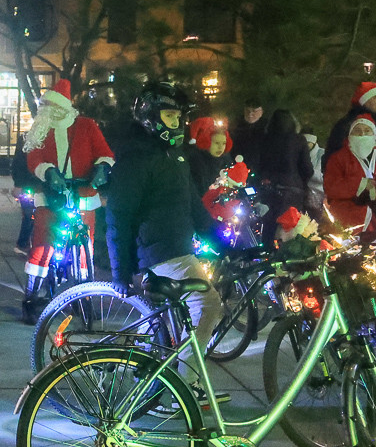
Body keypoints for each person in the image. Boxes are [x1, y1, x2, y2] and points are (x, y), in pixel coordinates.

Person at [104, 80, 229, 404]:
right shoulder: (137, 159)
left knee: (175, 318)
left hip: (176, 246)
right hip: (159, 252)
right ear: (151, 116)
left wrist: (222, 240)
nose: (178, 123)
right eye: (172, 116)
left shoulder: (173, 155)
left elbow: (191, 204)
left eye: (179, 117)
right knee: (208, 304)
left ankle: (154, 374)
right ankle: (183, 388)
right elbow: (118, 214)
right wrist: (120, 271)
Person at [22, 79, 114, 323]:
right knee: (43, 245)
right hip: (52, 198)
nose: (48, 113)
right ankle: (33, 295)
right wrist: (48, 172)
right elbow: (34, 157)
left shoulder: (86, 126)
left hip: (83, 196)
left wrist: (102, 168)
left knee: (85, 251)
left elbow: (104, 152)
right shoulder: (41, 128)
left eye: (54, 108)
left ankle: (83, 298)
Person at [323, 114, 376, 232]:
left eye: (367, 131)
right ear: (350, 134)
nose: (362, 134)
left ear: (374, 135)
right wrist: (360, 185)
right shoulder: (338, 158)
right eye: (358, 131)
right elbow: (330, 187)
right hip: (346, 221)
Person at [254, 109, 313, 243]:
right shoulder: (299, 140)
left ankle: (268, 257)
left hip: (270, 190)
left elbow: (258, 165)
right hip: (293, 191)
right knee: (290, 230)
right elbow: (307, 169)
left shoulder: (265, 140)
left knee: (269, 228)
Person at [185, 116, 234, 196]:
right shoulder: (196, 161)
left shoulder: (226, 161)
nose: (220, 147)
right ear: (206, 142)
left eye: (224, 143)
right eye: (216, 143)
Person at [9, 133, 35, 256]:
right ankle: (23, 244)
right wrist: (18, 184)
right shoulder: (26, 137)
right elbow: (18, 163)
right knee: (30, 215)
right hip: (29, 183)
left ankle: (26, 244)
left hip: (39, 183)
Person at [230, 99, 266, 172]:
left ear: (261, 112)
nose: (250, 114)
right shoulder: (235, 126)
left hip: (261, 169)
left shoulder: (267, 128)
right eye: (248, 111)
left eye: (254, 111)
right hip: (238, 169)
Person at [301, 126, 325, 218]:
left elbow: (324, 178)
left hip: (317, 200)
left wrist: (310, 172)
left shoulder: (322, 154)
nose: (305, 146)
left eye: (308, 143)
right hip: (302, 200)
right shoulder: (298, 154)